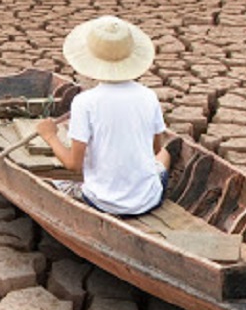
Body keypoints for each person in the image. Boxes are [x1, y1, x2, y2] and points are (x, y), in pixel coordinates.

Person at [35, 15, 172, 216]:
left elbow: (73, 165)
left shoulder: (85, 102)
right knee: (165, 154)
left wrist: (50, 136)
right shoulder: (148, 96)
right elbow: (156, 150)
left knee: (59, 182)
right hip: (149, 199)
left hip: (103, 202)